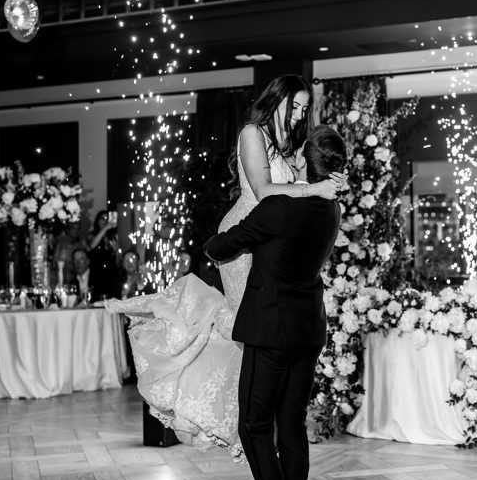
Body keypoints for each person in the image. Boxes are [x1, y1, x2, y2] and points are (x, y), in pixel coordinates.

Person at [106, 75, 345, 455]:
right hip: (243, 240)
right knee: (250, 324)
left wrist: (321, 182)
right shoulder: (253, 133)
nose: (300, 116)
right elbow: (265, 192)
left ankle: (252, 420)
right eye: (294, 107)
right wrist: (314, 189)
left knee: (264, 326)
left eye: (304, 109)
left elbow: (293, 194)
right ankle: (241, 420)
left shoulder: (289, 143)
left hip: (272, 238)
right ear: (277, 100)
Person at [206, 125, 346, 480]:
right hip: (307, 332)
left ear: (304, 163)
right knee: (292, 429)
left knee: (254, 426)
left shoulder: (278, 208)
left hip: (270, 333)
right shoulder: (331, 211)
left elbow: (218, 247)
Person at [88, 210, 120, 288]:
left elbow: (119, 261)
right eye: (103, 218)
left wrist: (116, 250)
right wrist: (106, 228)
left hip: (111, 274)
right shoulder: (91, 235)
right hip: (96, 273)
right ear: (97, 221)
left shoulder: (113, 236)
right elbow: (92, 245)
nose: (106, 221)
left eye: (107, 218)